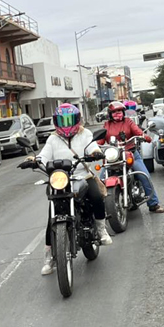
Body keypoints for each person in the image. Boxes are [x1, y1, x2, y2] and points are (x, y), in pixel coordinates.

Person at [24, 103, 112, 276]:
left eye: (69, 120)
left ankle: (101, 230)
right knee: (51, 217)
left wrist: (95, 153)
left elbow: (91, 147)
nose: (66, 124)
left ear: (77, 120)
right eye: (62, 120)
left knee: (95, 196)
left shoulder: (85, 134)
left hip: (82, 175)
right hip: (60, 179)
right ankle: (49, 258)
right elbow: (44, 155)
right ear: (56, 121)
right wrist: (34, 160)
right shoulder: (52, 138)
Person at [100, 101, 164, 214]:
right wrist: (95, 145)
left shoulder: (128, 122)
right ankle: (101, 211)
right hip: (113, 156)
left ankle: (154, 204)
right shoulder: (107, 125)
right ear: (110, 114)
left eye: (119, 112)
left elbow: (137, 131)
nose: (117, 114)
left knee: (144, 176)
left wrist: (144, 136)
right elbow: (100, 139)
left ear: (123, 112)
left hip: (130, 153)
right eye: (114, 112)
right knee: (100, 181)